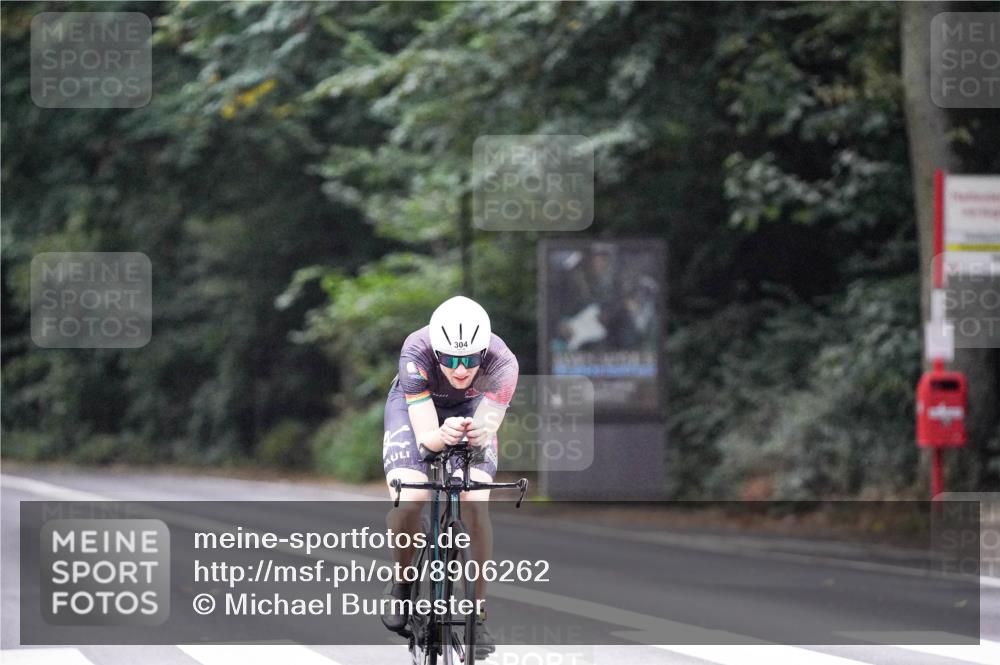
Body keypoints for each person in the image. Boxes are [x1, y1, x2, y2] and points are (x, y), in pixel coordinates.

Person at [381, 295, 519, 658]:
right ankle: (403, 581)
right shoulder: (417, 350)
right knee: (410, 499)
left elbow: (486, 429)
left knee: (476, 502)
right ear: (436, 351)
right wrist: (440, 436)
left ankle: (478, 610)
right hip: (416, 406)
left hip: (474, 408)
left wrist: (478, 433)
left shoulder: (503, 363)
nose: (460, 370)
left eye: (470, 360)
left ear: (483, 352)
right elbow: (427, 438)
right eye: (451, 360)